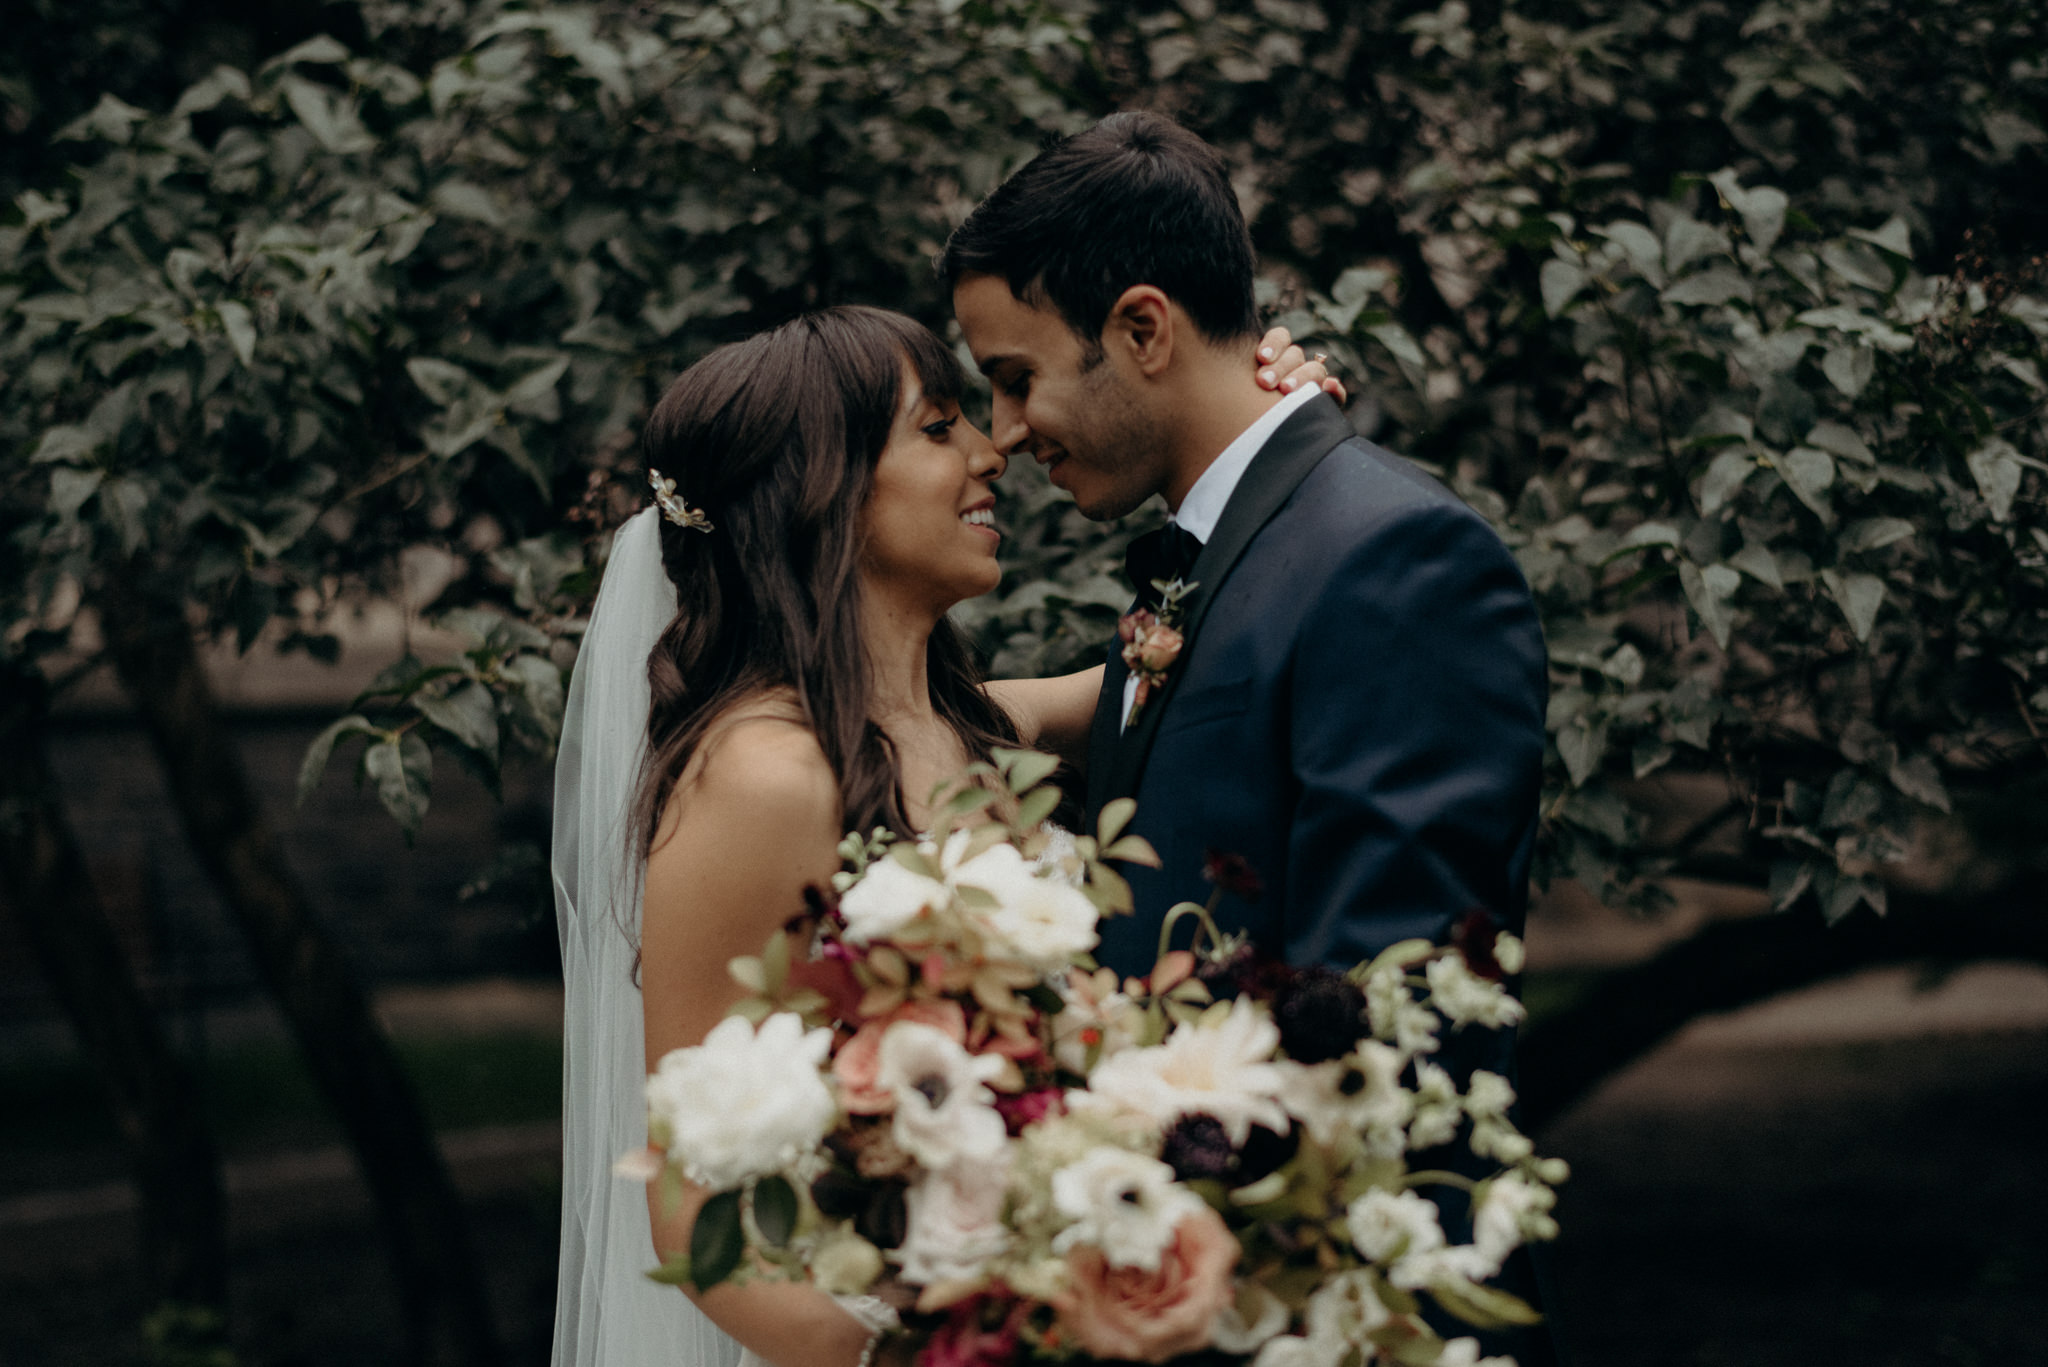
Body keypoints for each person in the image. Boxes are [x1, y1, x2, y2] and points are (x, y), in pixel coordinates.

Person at [549, 304, 1335, 1367]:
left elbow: (1187, 664)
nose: (990, 451)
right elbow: (690, 1203)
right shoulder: (759, 780)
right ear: (820, 487)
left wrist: (1267, 440)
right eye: (938, 426)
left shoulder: (961, 724)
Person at [939, 112, 1556, 1362]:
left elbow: (1390, 1011)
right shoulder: (1221, 554)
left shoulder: (1391, 554)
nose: (1004, 431)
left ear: (1143, 328)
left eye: (1015, 377)